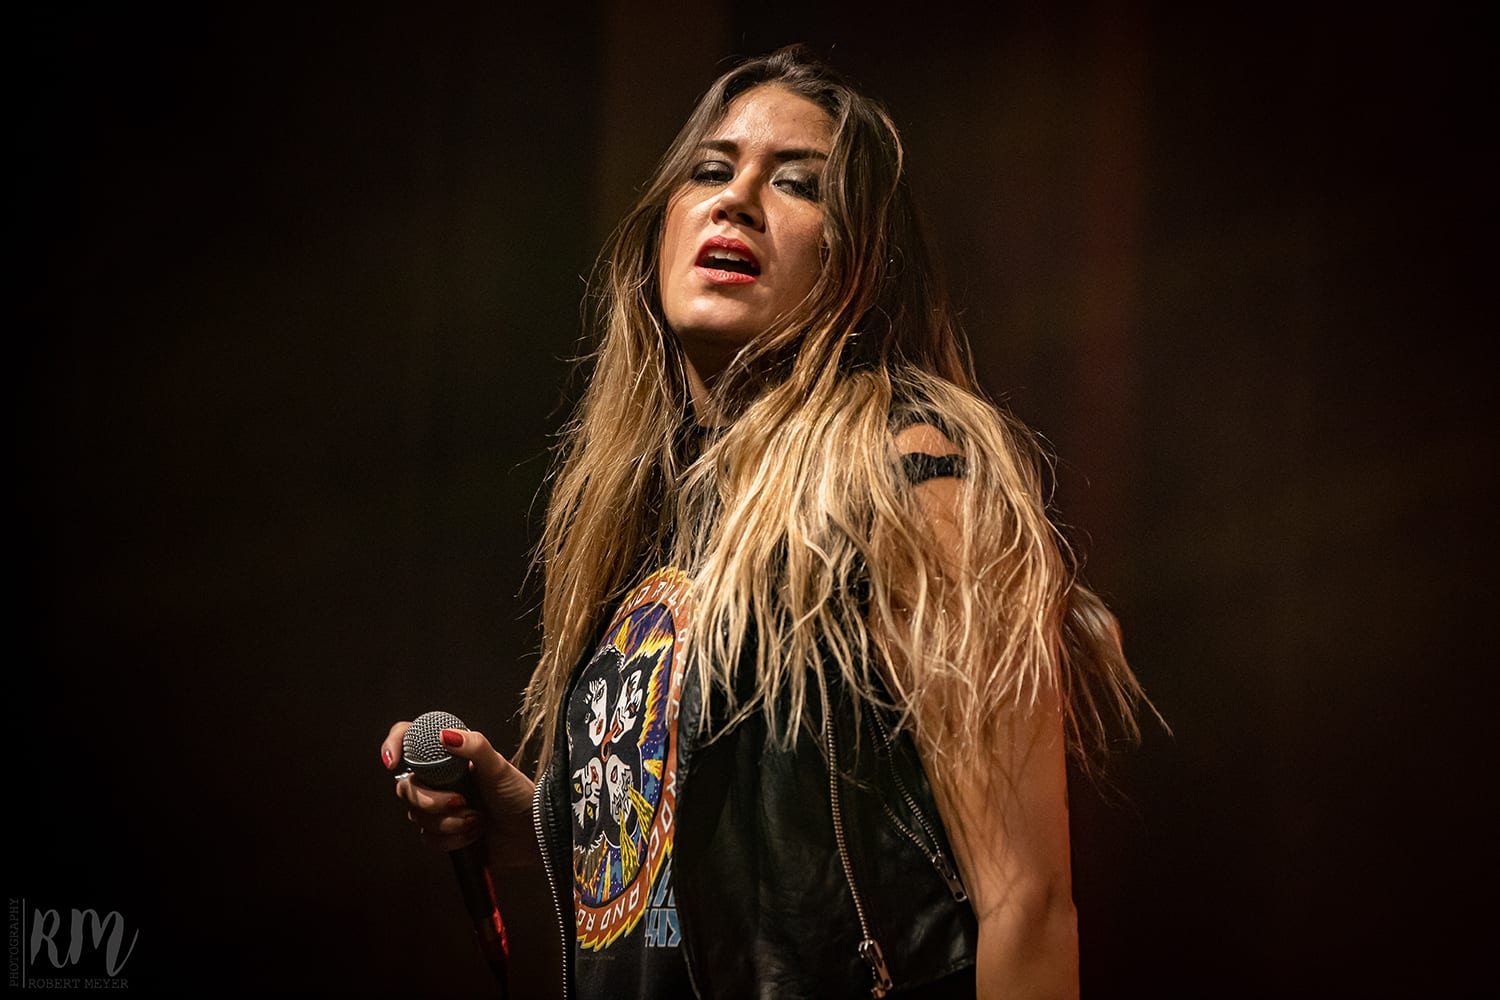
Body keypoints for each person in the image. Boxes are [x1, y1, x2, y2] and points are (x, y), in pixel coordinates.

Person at [381, 45, 1148, 999]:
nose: (737, 199)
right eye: (711, 169)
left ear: (859, 262)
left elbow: (1026, 902)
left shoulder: (910, 474)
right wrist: (550, 822)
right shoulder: (656, 524)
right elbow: (717, 891)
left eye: (797, 184)